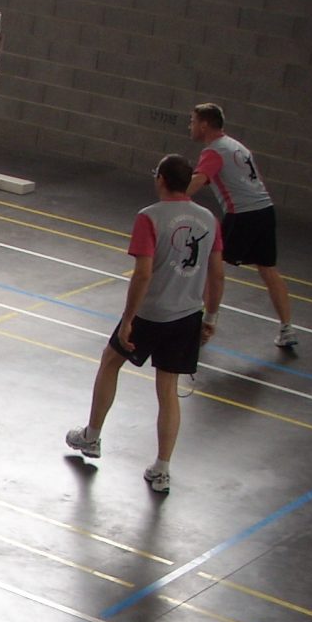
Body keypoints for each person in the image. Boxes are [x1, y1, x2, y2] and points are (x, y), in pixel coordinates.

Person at [65, 155, 224, 495]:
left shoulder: (149, 217)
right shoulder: (210, 219)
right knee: (168, 389)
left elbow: (143, 274)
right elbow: (217, 272)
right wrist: (210, 316)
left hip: (151, 314)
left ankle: (92, 436)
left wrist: (128, 320)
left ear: (162, 179)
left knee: (110, 360)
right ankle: (162, 469)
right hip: (188, 315)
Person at [184, 102, 297, 350]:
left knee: (212, 265)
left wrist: (174, 198)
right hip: (265, 211)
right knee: (268, 269)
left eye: (193, 121)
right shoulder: (236, 146)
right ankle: (287, 328)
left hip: (243, 215)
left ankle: (205, 323)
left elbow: (199, 180)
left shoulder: (213, 151)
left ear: (204, 124)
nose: (190, 126)